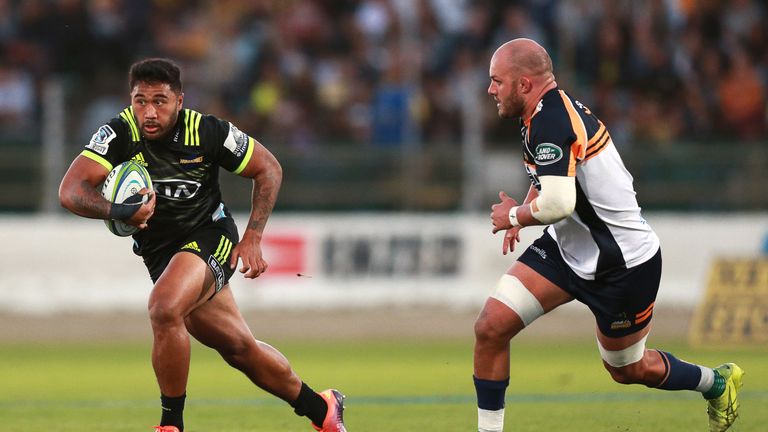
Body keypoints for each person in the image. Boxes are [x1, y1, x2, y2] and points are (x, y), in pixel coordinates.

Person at [59, 58, 347, 432]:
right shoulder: (119, 132)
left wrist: (253, 237)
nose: (149, 111)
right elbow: (70, 191)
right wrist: (117, 210)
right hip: (161, 253)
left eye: (160, 101)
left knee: (164, 308)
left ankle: (170, 425)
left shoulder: (208, 131)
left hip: (211, 235)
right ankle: (322, 409)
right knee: (240, 349)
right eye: (140, 100)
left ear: (180, 100)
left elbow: (268, 168)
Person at [473, 38, 744, 432]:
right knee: (491, 326)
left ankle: (716, 382)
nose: (490, 90)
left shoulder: (550, 120)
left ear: (525, 84)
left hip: (623, 266)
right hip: (567, 251)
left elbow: (559, 204)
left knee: (628, 368)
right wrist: (525, 211)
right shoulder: (541, 113)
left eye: (497, 81)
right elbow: (552, 180)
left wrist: (512, 214)